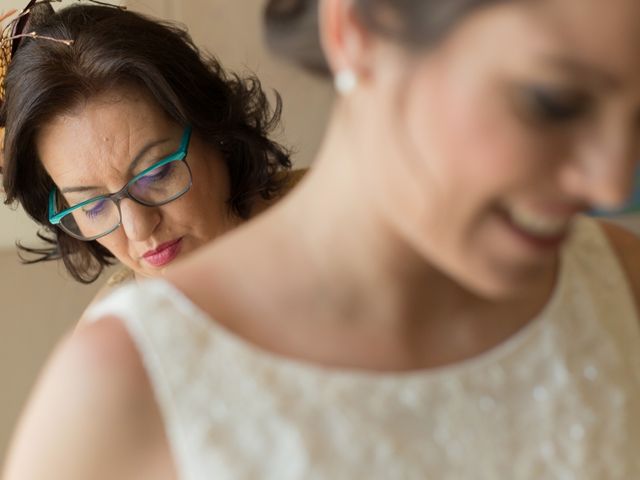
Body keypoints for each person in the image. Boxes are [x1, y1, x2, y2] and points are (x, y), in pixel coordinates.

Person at [4, 0, 640, 478]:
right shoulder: (116, 377)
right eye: (550, 101)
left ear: (213, 134)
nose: (611, 179)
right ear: (356, 31)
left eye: (160, 170)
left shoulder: (617, 276)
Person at [0, 1, 297, 292]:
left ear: (216, 130)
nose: (138, 228)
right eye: (93, 206)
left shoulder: (335, 221)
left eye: (157, 174)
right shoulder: (115, 335)